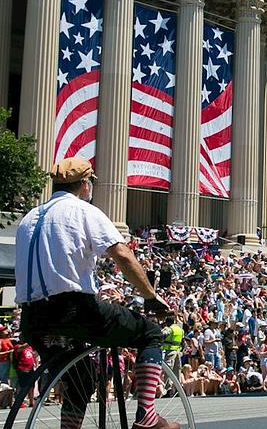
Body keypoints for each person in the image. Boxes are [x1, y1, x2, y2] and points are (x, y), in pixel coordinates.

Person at [14, 158, 175, 429]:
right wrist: (150, 296)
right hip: (73, 311)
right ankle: (147, 415)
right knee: (150, 333)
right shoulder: (82, 210)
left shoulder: (29, 217)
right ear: (85, 184)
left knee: (83, 378)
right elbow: (122, 254)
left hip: (33, 319)